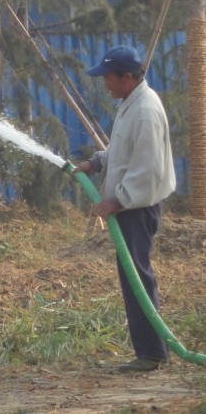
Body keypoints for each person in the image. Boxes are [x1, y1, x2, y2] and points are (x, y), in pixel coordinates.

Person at [75, 44, 176, 372]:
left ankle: (152, 354)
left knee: (137, 277)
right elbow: (122, 150)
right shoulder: (131, 103)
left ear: (127, 77)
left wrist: (117, 200)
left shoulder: (145, 110)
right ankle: (151, 351)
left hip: (138, 207)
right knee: (133, 275)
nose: (104, 82)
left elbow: (146, 167)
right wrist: (97, 162)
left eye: (108, 76)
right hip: (132, 205)